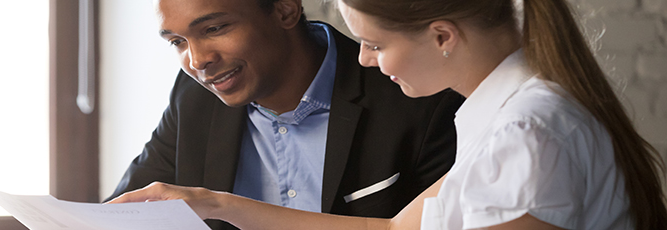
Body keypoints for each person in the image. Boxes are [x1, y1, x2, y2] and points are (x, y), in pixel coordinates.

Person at [108, 0, 667, 229]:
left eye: (373, 43)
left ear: (442, 36)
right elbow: (396, 229)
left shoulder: (526, 134)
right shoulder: (505, 118)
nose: (364, 59)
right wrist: (213, 203)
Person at [104, 0, 465, 229]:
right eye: (177, 42)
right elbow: (124, 212)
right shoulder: (195, 98)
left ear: (285, 9)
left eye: (214, 28)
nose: (197, 61)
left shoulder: (417, 97)